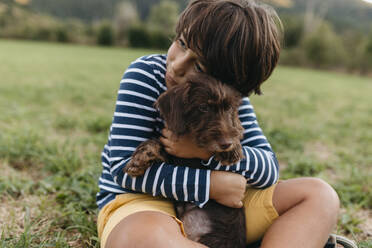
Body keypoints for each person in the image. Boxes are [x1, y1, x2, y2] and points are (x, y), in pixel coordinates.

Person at [96, 0, 341, 247]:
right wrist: (211, 185)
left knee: (319, 195)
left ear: (228, 81)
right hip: (145, 202)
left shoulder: (232, 99)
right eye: (181, 43)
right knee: (141, 237)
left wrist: (204, 153)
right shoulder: (146, 76)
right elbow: (123, 169)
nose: (178, 65)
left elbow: (268, 170)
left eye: (200, 65)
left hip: (225, 215)